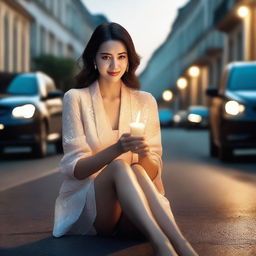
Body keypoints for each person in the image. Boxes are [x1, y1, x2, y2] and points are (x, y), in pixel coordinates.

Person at [53, 22, 199, 256]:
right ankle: (163, 245)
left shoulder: (145, 101)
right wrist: (117, 148)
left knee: (139, 170)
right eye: (106, 57)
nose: (114, 65)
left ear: (129, 59)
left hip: (134, 212)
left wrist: (142, 154)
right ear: (93, 59)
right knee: (120, 165)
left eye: (121, 57)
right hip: (96, 209)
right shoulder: (76, 99)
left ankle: (180, 243)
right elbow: (76, 170)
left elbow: (153, 171)